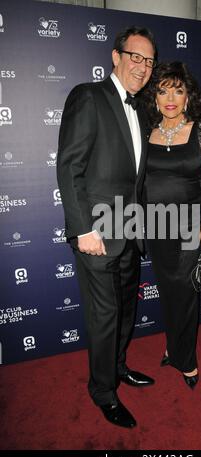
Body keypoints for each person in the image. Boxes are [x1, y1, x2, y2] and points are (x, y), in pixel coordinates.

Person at [57, 26, 157, 428]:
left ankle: (118, 367)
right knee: (104, 315)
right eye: (135, 56)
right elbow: (70, 167)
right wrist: (84, 230)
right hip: (96, 235)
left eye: (148, 61)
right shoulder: (89, 96)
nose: (142, 66)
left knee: (126, 311)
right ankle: (102, 391)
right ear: (115, 57)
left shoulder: (142, 109)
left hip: (130, 232)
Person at [143, 62, 201, 389]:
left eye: (178, 91)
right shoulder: (146, 131)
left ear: (187, 97)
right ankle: (173, 346)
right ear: (154, 97)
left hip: (191, 228)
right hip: (156, 228)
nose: (170, 97)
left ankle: (186, 360)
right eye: (163, 90)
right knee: (168, 293)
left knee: (185, 295)